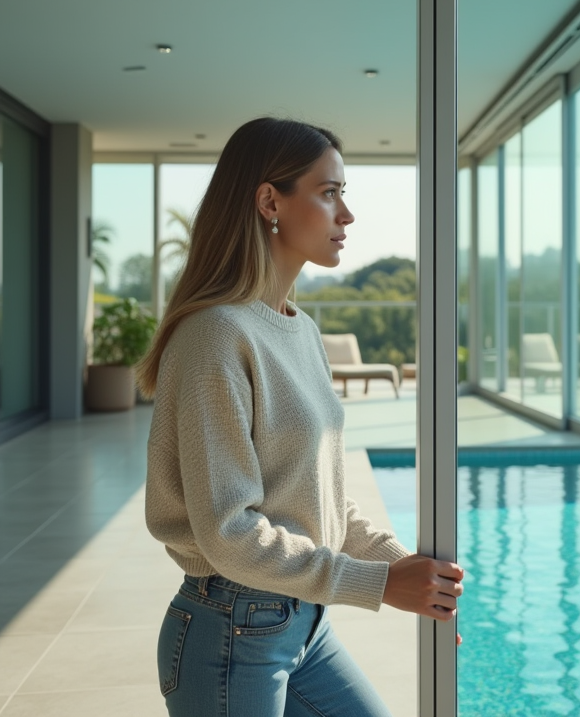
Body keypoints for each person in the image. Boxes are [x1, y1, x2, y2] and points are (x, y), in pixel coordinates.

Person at [138, 117, 463, 717]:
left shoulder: (301, 330)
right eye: (329, 192)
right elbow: (229, 531)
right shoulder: (215, 336)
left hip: (302, 626)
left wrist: (407, 571)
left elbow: (320, 500)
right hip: (231, 633)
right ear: (270, 202)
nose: (348, 215)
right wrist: (380, 585)